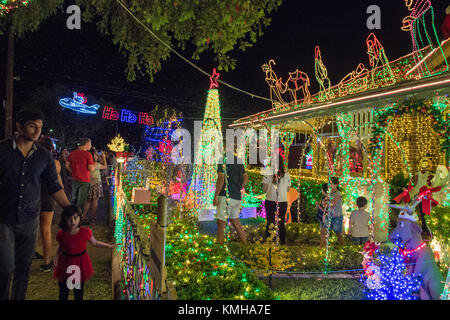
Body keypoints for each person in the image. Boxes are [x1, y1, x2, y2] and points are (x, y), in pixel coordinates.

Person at [0, 108, 71, 300]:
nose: (37, 131)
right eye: (32, 126)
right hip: (3, 219)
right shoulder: (3, 150)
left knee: (24, 268)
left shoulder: (43, 156)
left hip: (29, 220)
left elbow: (54, 186)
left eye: (40, 127)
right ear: (19, 126)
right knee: (5, 268)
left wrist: (70, 208)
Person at [53, 205, 115, 300]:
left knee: (78, 289)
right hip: (65, 263)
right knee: (63, 289)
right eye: (69, 218)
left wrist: (109, 246)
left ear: (80, 218)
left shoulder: (84, 232)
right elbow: (61, 246)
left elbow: (95, 243)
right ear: (65, 219)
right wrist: (56, 256)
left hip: (79, 264)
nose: (73, 221)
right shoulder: (62, 234)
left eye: (75, 218)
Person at [36, 136, 65, 272]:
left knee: (32, 228)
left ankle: (31, 252)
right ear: (52, 149)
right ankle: (47, 261)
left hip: (33, 197)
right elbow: (59, 183)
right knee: (46, 230)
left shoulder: (32, 161)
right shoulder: (55, 163)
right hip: (48, 197)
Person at [213, 145, 248, 244]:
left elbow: (221, 178)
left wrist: (216, 195)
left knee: (221, 223)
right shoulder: (239, 161)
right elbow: (246, 177)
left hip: (225, 196)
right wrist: (240, 187)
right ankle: (246, 246)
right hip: (236, 197)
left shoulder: (223, 160)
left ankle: (220, 250)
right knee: (235, 222)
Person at [262, 152, 291, 245]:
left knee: (270, 222)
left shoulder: (268, 172)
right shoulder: (286, 174)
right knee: (281, 223)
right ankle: (282, 243)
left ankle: (269, 242)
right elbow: (288, 188)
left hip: (270, 200)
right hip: (282, 201)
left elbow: (264, 188)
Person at [66, 138, 95, 219]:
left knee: (74, 198)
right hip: (85, 180)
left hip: (75, 179)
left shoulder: (72, 154)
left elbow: (67, 165)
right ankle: (78, 218)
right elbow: (90, 168)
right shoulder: (88, 155)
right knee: (81, 201)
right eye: (90, 143)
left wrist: (73, 171)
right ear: (86, 144)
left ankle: (71, 215)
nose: (91, 145)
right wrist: (94, 166)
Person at [82, 148, 107, 225]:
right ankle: (93, 219)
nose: (97, 155)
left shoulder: (87, 163)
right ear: (93, 155)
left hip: (88, 183)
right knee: (95, 201)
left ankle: (83, 216)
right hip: (96, 183)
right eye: (96, 153)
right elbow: (105, 166)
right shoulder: (95, 164)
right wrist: (104, 157)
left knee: (88, 201)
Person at [320, 177, 344, 246]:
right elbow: (324, 203)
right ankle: (322, 247)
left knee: (338, 233)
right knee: (323, 231)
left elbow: (332, 204)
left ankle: (341, 247)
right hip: (329, 215)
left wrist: (327, 202)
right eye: (329, 184)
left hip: (337, 216)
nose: (329, 185)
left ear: (336, 184)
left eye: (331, 184)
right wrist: (326, 202)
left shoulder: (338, 194)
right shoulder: (329, 193)